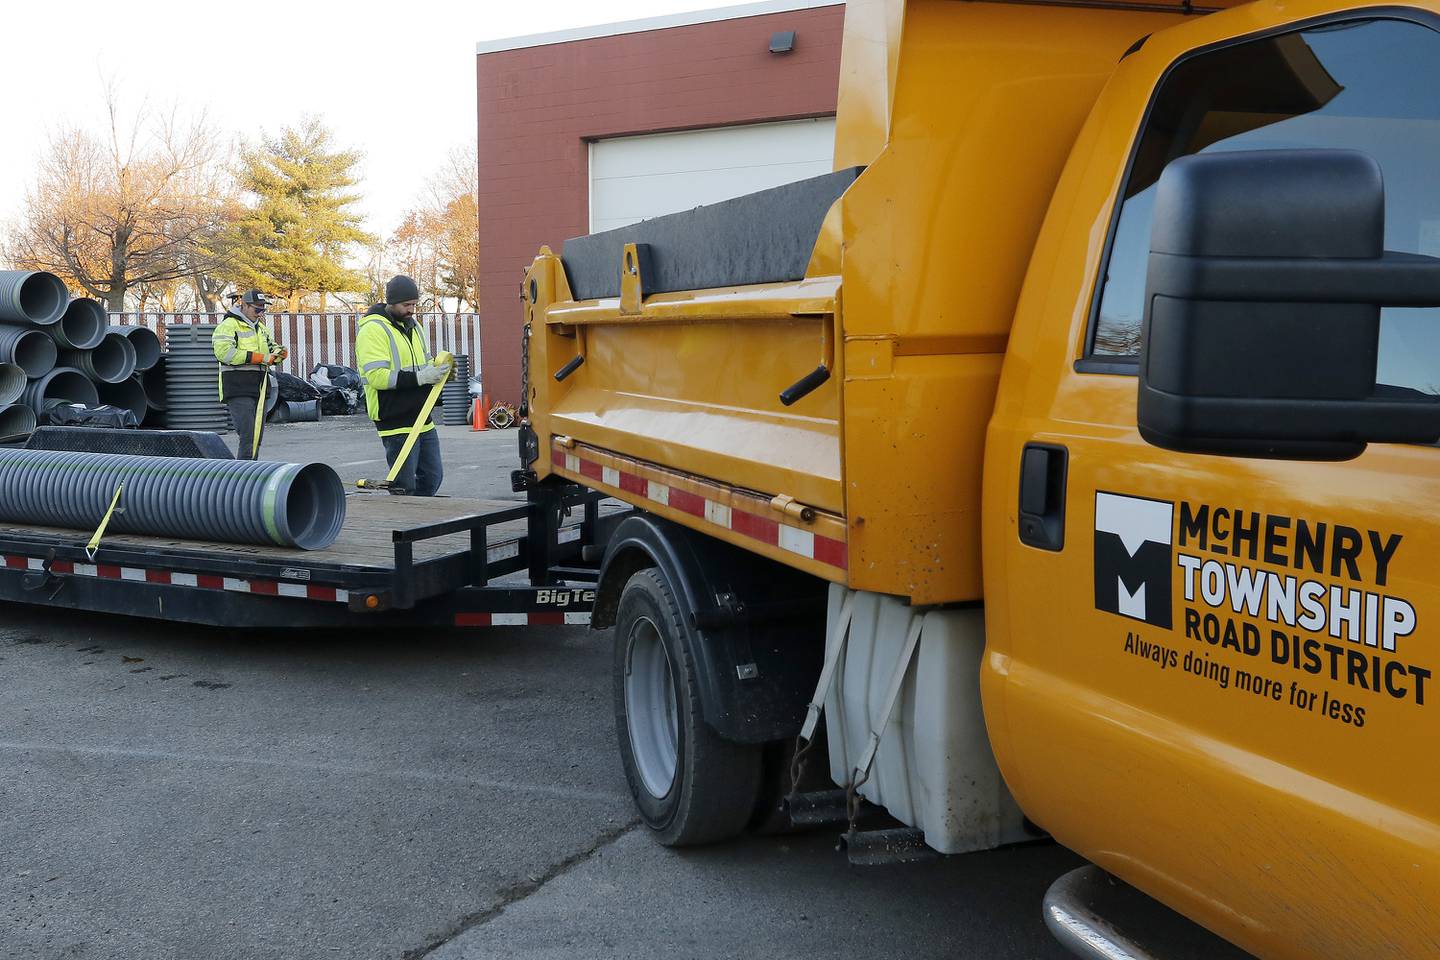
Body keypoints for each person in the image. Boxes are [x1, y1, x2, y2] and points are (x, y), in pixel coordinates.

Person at [356, 275, 452, 495]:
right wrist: (421, 378)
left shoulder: (414, 327)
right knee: (404, 485)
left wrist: (435, 371)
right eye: (406, 305)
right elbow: (377, 377)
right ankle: (403, 523)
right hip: (394, 417)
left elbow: (424, 362)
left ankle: (418, 520)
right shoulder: (373, 330)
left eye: (414, 304)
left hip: (421, 415)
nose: (411, 310)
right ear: (391, 302)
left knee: (432, 476)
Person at [212, 290, 286, 460]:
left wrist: (279, 354)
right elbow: (224, 353)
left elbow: (272, 348)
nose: (260, 313)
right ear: (244, 305)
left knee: (255, 437)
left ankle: (250, 471)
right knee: (248, 436)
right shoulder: (229, 325)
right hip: (238, 388)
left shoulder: (261, 329)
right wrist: (259, 357)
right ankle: (243, 477)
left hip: (259, 388)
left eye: (263, 310)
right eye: (257, 309)